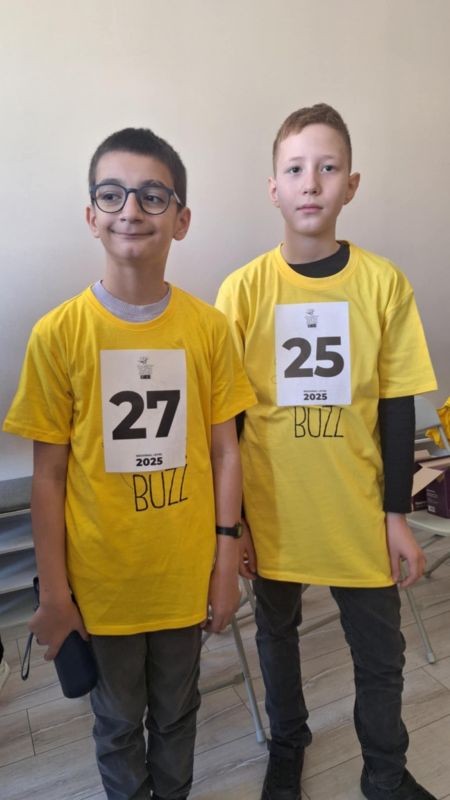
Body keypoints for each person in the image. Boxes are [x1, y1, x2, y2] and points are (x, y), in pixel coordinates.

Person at [3, 127, 256, 800]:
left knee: (177, 712)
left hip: (183, 576)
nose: (131, 210)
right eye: (112, 194)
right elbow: (49, 477)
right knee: (116, 725)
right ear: (92, 215)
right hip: (101, 585)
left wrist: (225, 559)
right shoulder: (58, 335)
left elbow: (226, 450)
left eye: (152, 195)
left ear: (182, 218)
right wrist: (55, 594)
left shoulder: (209, 329)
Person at [216, 103, 438, 800]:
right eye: (294, 169)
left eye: (328, 167)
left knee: (382, 655)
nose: (310, 182)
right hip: (274, 513)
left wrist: (396, 515)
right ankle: (288, 746)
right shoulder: (243, 291)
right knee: (276, 637)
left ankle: (384, 773)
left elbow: (396, 407)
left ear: (352, 185)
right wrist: (235, 524)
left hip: (359, 512)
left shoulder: (383, 284)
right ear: (273, 188)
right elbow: (228, 425)